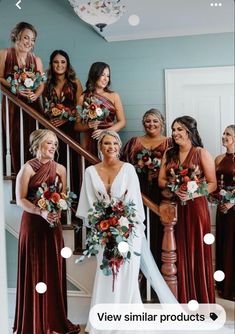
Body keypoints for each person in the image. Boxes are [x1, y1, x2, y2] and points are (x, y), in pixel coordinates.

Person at [76, 130, 178, 334]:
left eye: (114, 143)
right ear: (100, 147)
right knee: (106, 274)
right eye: (106, 143)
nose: (111, 147)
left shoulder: (128, 169)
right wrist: (102, 226)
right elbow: (89, 205)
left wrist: (123, 227)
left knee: (127, 276)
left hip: (129, 231)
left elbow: (135, 204)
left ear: (119, 146)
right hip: (102, 233)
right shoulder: (90, 172)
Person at [13, 129, 80, 334]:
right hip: (33, 224)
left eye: (55, 144)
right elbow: (21, 199)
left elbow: (63, 197)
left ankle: (53, 319)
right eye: (49, 143)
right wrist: (40, 212)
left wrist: (56, 210)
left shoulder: (60, 168)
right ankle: (33, 321)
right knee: (34, 267)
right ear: (37, 145)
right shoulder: (27, 169)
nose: (53, 147)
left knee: (53, 266)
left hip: (53, 225)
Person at [158, 116, 217, 303]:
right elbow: (160, 180)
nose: (174, 133)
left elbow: (212, 183)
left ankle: (200, 298)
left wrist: (193, 193)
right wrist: (175, 186)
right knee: (178, 249)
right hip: (174, 208)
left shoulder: (201, 153)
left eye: (179, 129)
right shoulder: (169, 153)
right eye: (174, 129)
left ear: (190, 132)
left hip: (196, 208)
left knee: (196, 249)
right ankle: (181, 297)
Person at [121, 109, 172, 270]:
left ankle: (158, 270)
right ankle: (139, 271)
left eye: (155, 121)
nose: (151, 124)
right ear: (143, 123)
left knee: (159, 229)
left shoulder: (170, 143)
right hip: (138, 190)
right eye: (148, 121)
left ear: (162, 123)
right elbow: (123, 166)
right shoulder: (133, 142)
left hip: (161, 192)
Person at [0, 22, 44, 174]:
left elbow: (41, 85)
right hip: (12, 103)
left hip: (32, 104)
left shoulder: (36, 59)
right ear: (17, 36)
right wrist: (16, 89)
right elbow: (0, 77)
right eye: (26, 38)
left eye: (32, 40)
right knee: (13, 135)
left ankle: (33, 170)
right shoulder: (5, 54)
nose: (29, 43)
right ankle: (14, 170)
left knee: (32, 136)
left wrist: (35, 94)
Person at [43, 49, 83, 192]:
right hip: (52, 129)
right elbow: (44, 106)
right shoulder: (46, 84)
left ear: (67, 64)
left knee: (71, 161)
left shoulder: (75, 83)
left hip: (71, 128)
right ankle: (55, 196)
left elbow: (80, 108)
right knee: (54, 161)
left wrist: (66, 119)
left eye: (63, 62)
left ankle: (73, 198)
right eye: (56, 62)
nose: (59, 65)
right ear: (51, 64)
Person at [74, 62, 126, 156]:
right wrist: (88, 125)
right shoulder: (83, 98)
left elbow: (122, 122)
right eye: (103, 75)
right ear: (94, 75)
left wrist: (105, 132)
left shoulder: (114, 96)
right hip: (90, 140)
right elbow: (76, 126)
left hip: (110, 139)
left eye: (108, 76)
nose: (106, 79)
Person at [214, 125, 235, 301]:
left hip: (234, 209)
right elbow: (215, 184)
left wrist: (232, 202)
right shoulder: (219, 158)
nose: (224, 136)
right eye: (224, 133)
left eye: (228, 134)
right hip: (221, 209)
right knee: (222, 244)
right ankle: (222, 285)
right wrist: (215, 199)